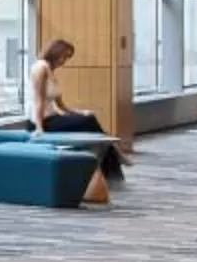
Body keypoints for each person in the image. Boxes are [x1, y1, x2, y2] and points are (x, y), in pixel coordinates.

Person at [26, 38, 127, 180]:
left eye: (68, 57)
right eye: (65, 56)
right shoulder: (40, 68)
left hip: (52, 118)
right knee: (89, 122)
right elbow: (38, 100)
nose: (65, 61)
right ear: (56, 52)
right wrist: (39, 128)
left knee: (88, 118)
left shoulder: (50, 71)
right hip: (42, 122)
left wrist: (81, 112)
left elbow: (62, 107)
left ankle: (110, 164)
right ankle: (113, 160)